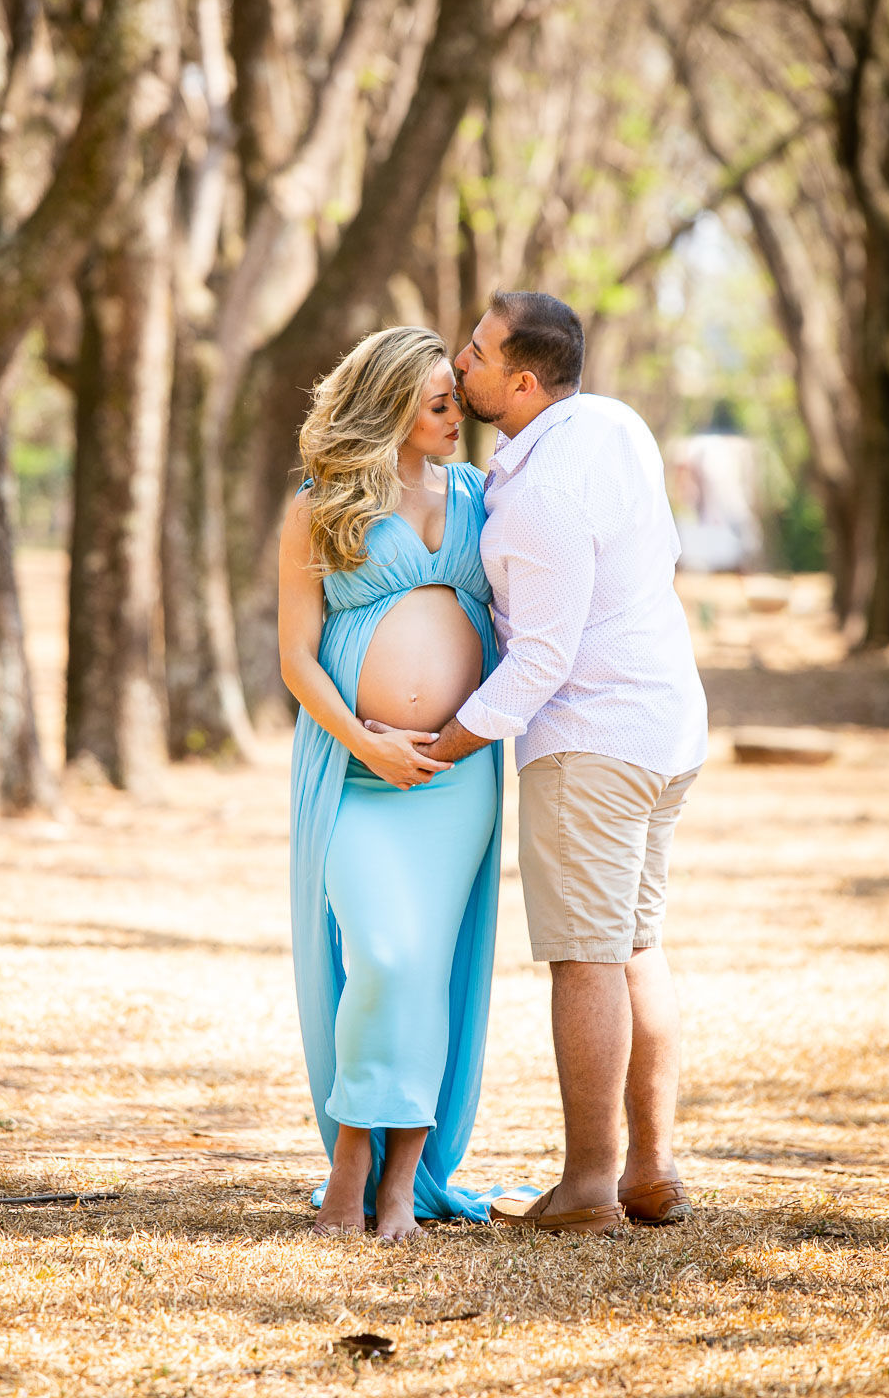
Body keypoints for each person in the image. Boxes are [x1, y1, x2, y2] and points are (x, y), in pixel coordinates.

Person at [419, 290, 708, 1237]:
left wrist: (447, 741)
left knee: (584, 959)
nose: (459, 365)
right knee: (633, 944)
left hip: (591, 736)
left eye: (475, 353)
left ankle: (588, 1184)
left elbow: (542, 656)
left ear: (523, 380)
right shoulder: (612, 425)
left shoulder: (542, 491)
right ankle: (649, 1170)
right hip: (663, 727)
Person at [278, 324, 504, 1242]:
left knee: (429, 966)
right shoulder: (318, 505)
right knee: (383, 954)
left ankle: (403, 1180)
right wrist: (367, 748)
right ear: (388, 404)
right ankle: (349, 1161)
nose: (459, 416)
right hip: (355, 770)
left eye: (458, 398)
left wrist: (453, 743)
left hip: (457, 780)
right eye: (440, 403)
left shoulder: (483, 497)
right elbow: (295, 659)